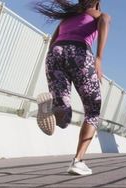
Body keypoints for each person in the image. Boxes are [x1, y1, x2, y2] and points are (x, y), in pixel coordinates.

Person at [34, 0, 111, 176]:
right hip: (79, 54)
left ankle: (52, 108)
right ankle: (78, 161)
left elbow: (52, 42)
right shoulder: (98, 15)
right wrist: (98, 58)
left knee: (64, 117)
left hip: (55, 54)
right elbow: (106, 21)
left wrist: (54, 60)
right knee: (93, 111)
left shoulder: (66, 19)